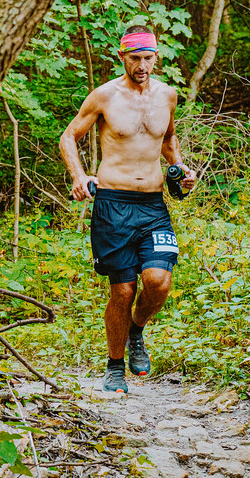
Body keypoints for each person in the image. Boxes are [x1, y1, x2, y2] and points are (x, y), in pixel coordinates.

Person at [59, 25, 197, 394]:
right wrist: (78, 175)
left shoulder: (167, 96)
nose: (142, 66)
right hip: (113, 205)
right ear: (122, 56)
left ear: (156, 57)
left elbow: (168, 138)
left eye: (148, 58)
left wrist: (181, 168)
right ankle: (115, 366)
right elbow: (69, 136)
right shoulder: (105, 96)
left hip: (152, 205)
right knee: (122, 290)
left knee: (158, 281)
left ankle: (136, 329)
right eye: (135, 58)